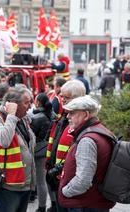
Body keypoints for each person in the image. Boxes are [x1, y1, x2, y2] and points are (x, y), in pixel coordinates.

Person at [58, 96, 116, 211]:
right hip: (92, 202)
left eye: (72, 113)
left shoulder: (87, 140)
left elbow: (83, 180)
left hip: (84, 203)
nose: (68, 116)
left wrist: (65, 192)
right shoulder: (100, 131)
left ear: (86, 114)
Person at [0, 88, 36, 212]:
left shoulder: (24, 119)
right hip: (8, 184)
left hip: (24, 183)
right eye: (26, 102)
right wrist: (11, 116)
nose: (30, 106)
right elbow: (4, 140)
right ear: (13, 104)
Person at [45, 80, 86, 212]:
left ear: (76, 98)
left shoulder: (80, 121)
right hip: (58, 177)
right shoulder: (64, 117)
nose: (62, 100)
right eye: (61, 97)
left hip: (68, 181)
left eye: (65, 98)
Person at [31, 93, 53, 212]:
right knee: (47, 180)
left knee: (40, 181)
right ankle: (52, 204)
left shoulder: (36, 118)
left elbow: (31, 136)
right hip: (48, 150)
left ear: (38, 102)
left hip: (38, 153)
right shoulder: (51, 115)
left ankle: (41, 207)